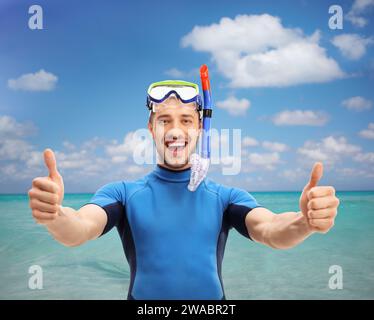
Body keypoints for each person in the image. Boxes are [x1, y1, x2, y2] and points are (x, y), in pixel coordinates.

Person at [28, 80, 340, 300]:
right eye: (164, 120)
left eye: (186, 121)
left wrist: (305, 222)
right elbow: (80, 228)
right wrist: (54, 215)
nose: (175, 130)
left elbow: (271, 230)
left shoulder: (226, 198)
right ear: (151, 129)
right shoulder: (123, 194)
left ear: (200, 130)